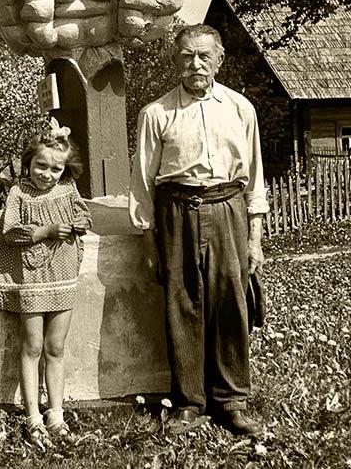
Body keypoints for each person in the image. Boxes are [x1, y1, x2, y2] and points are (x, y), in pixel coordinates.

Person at [128, 24, 268, 438]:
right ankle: (190, 402)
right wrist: (148, 239)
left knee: (231, 301)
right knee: (182, 302)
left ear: (219, 60)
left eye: (204, 56)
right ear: (175, 62)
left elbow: (255, 178)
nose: (196, 64)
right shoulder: (156, 114)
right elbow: (142, 183)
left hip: (228, 208)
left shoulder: (240, 108)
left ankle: (232, 401)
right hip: (176, 212)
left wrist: (254, 238)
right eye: (187, 56)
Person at [0, 121, 93, 449]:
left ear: (65, 170)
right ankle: (33, 416)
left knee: (56, 348)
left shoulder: (68, 190)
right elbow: (9, 232)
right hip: (31, 278)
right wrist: (46, 231)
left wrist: (78, 224)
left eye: (55, 169)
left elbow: (84, 217)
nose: (47, 174)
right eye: (41, 166)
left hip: (62, 274)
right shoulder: (19, 193)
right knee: (32, 345)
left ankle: (56, 415)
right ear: (28, 162)